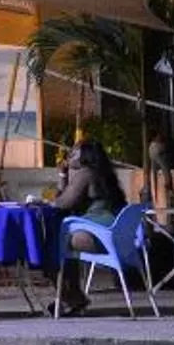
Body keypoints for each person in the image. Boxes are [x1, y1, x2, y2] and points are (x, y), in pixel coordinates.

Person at [44, 135, 126, 317]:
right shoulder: (104, 174)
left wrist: (61, 177)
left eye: (74, 153)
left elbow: (62, 203)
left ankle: (71, 298)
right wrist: (64, 175)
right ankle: (72, 297)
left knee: (50, 246)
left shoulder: (85, 173)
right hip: (116, 236)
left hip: (97, 236)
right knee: (63, 242)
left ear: (85, 156)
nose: (69, 156)